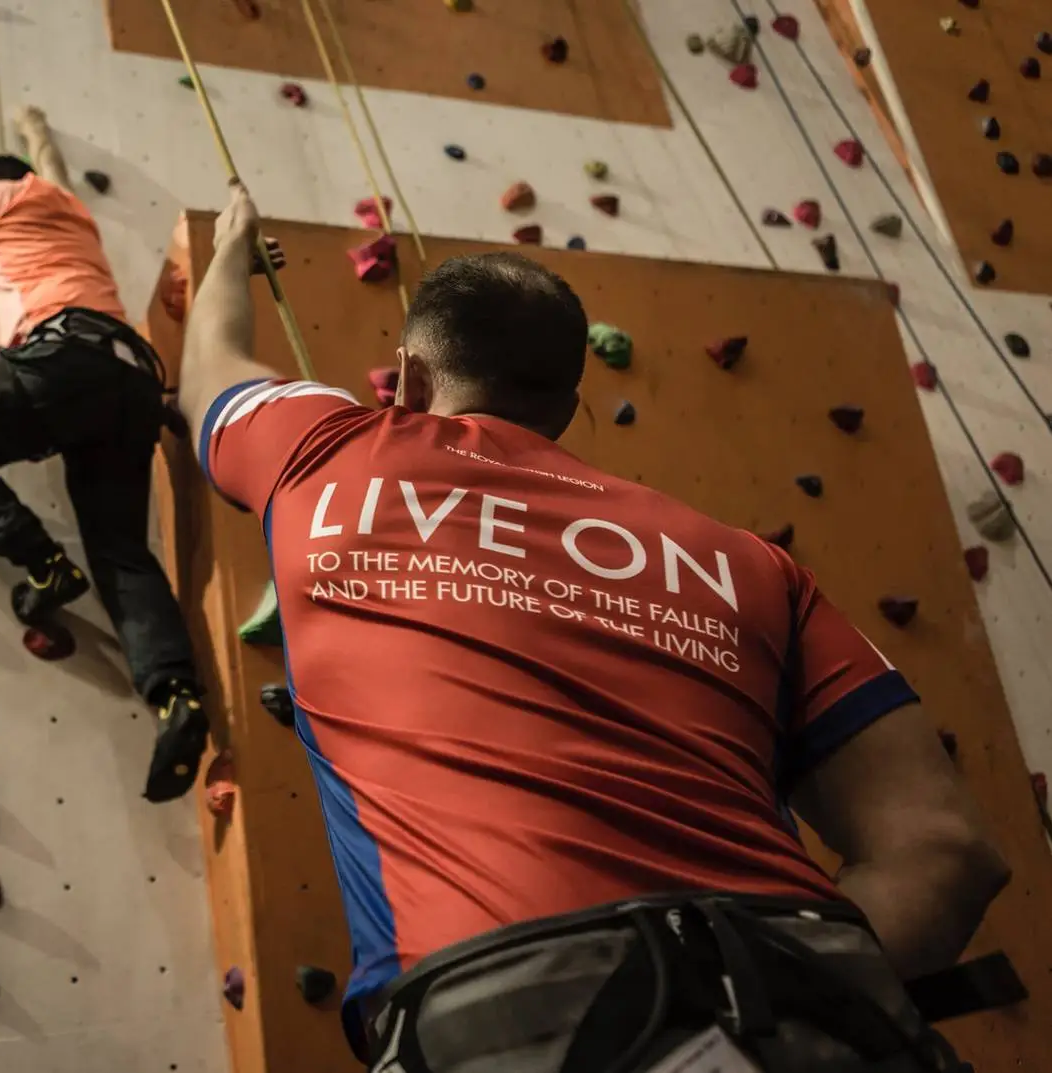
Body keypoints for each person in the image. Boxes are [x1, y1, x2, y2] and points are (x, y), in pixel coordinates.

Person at [177, 181, 1011, 1072]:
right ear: (571, 414)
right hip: (805, 1003)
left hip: (507, 1008)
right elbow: (947, 851)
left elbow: (212, 367)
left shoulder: (325, 452)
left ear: (410, 380)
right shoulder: (753, 565)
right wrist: (763, 993)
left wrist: (233, 243)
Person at [0, 106, 209, 804]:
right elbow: (55, 166)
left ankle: (43, 562)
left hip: (60, 354)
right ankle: (176, 698)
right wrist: (34, 126)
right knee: (121, 551)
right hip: (133, 374)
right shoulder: (67, 205)